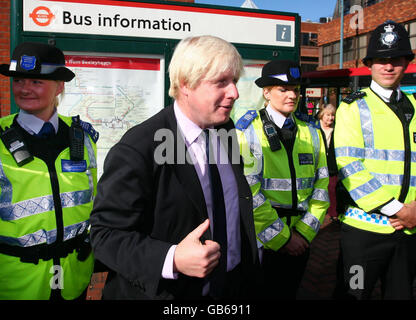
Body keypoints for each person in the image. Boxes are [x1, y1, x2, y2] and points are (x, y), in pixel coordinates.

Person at [89, 35, 260, 300]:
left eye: (235, 81)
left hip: (231, 286)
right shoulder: (139, 147)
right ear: (185, 84)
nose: (234, 93)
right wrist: (172, 259)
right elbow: (105, 235)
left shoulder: (225, 129)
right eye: (221, 82)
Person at [0, 42, 99, 300]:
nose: (25, 89)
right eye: (19, 81)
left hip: (74, 277)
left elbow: (95, 201)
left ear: (60, 86)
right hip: (16, 283)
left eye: (36, 82)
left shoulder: (84, 138)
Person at [334, 20, 416, 299]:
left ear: (406, 62)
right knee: (354, 294)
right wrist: (399, 210)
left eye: (395, 59)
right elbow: (349, 166)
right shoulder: (352, 106)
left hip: (408, 233)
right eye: (381, 59)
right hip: (364, 233)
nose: (389, 66)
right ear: (370, 63)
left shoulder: (415, 107)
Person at [235, 60, 329, 299]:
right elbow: (248, 192)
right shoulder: (247, 131)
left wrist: (305, 234)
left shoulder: (313, 132)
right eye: (283, 89)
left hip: (301, 239)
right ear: (266, 92)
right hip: (263, 241)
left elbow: (321, 189)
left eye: (295, 89)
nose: (292, 95)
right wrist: (282, 238)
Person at [317, 103, 338, 221]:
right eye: (328, 115)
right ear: (322, 115)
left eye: (332, 115)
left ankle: (332, 213)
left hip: (332, 168)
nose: (330, 118)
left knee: (331, 190)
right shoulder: (315, 128)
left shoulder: (337, 131)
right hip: (318, 166)